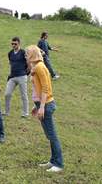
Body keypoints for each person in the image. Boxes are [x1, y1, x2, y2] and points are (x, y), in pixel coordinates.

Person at [26, 45, 64, 173]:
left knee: (52, 135)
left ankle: (58, 164)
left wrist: (41, 107)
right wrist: (35, 106)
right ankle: (53, 161)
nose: (26, 55)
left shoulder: (40, 67)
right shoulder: (37, 67)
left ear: (32, 54)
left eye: (27, 53)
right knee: (49, 135)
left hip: (46, 105)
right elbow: (38, 89)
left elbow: (45, 89)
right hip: (42, 105)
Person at [4, 37, 29, 117]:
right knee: (7, 94)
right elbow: (11, 64)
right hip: (12, 77)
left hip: (22, 76)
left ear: (19, 43)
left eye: (15, 44)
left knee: (23, 95)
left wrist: (26, 73)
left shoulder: (23, 52)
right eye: (12, 44)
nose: (13, 45)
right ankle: (6, 112)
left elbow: (28, 64)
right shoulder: (10, 53)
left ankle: (25, 113)